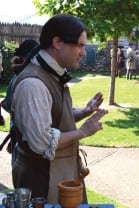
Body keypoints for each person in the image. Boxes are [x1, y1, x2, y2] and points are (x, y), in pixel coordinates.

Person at [11, 14, 108, 203]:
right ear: (57, 42)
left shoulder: (54, 73)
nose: (84, 52)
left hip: (61, 174)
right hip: (43, 182)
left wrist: (84, 112)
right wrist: (83, 131)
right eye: (79, 45)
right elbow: (42, 143)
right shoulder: (33, 84)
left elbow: (53, 116)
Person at [0, 39, 39, 162]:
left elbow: (8, 104)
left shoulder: (23, 77)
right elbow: (11, 106)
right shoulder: (20, 79)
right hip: (22, 139)